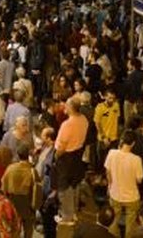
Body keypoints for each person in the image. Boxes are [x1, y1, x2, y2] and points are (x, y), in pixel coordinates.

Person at [55, 95, 89, 225]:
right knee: (74, 183)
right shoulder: (84, 119)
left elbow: (62, 146)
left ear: (71, 108)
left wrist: (57, 155)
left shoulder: (67, 124)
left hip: (67, 156)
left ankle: (67, 216)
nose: (64, 106)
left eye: (67, 105)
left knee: (64, 186)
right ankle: (73, 211)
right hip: (78, 154)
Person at [105, 129, 143, 238]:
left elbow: (107, 172)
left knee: (113, 221)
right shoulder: (136, 159)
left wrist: (110, 185)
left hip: (115, 193)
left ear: (122, 140)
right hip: (132, 197)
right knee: (131, 225)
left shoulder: (111, 153)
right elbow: (139, 180)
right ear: (133, 143)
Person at [1, 143, 37, 238]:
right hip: (26, 201)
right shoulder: (32, 170)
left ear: (18, 155)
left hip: (12, 199)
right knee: (28, 225)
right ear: (28, 155)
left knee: (13, 225)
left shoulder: (10, 168)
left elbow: (3, 185)